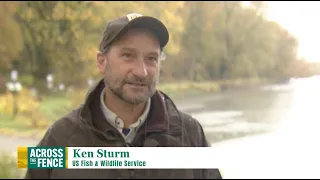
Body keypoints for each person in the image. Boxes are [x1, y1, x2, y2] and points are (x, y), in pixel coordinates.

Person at [25, 13, 223, 179]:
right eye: (128, 55)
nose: (141, 71)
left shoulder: (190, 135)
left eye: (151, 58)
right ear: (102, 62)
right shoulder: (60, 137)